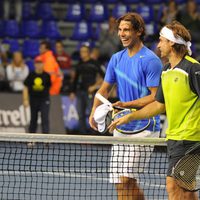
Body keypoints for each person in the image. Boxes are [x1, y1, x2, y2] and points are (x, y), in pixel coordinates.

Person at [108, 21, 200, 200]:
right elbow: (159, 105)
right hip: (174, 138)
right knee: (185, 190)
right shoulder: (166, 71)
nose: (158, 45)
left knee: (174, 186)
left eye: (161, 40)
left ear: (172, 43)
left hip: (191, 139)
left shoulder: (193, 69)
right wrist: (129, 116)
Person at [89, 13, 163, 200]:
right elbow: (104, 89)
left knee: (125, 180)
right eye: (120, 30)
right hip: (121, 126)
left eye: (127, 30)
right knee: (121, 184)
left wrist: (127, 105)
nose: (122, 34)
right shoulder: (116, 58)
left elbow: (156, 97)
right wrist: (93, 112)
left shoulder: (150, 60)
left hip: (145, 126)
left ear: (139, 32)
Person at [73, 44, 104, 134]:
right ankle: (83, 135)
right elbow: (75, 79)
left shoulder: (94, 63)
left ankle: (93, 134)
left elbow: (105, 77)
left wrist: (94, 86)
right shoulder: (79, 64)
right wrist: (72, 91)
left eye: (84, 52)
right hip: (80, 92)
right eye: (81, 52)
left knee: (93, 114)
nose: (82, 54)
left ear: (88, 53)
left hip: (91, 93)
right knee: (80, 114)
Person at [23, 56, 51, 134]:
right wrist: (25, 99)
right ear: (35, 64)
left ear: (43, 64)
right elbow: (25, 87)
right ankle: (31, 139)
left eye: (40, 63)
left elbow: (49, 87)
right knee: (33, 119)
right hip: (33, 99)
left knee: (45, 118)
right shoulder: (31, 75)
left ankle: (46, 139)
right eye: (37, 63)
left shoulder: (47, 76)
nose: (39, 65)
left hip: (44, 100)